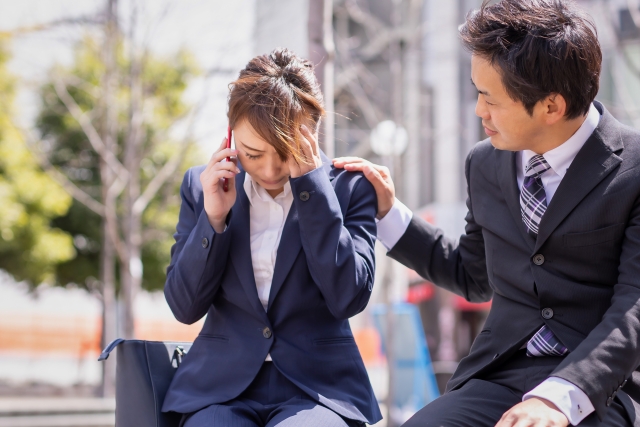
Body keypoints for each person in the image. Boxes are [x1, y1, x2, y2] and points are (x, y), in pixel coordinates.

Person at [334, 1, 640, 426]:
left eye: (490, 99)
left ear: (551, 107)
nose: (480, 111)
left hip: (599, 388)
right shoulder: (485, 162)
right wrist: (388, 212)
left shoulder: (635, 167)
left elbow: (633, 309)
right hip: (497, 376)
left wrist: (558, 399)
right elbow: (473, 276)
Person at [161, 48, 382, 427]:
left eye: (285, 152)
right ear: (231, 133)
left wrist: (312, 191)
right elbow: (184, 307)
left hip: (318, 390)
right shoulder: (202, 187)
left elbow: (349, 296)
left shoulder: (350, 189)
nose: (269, 169)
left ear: (313, 130)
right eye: (252, 153)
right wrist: (213, 219)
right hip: (219, 390)